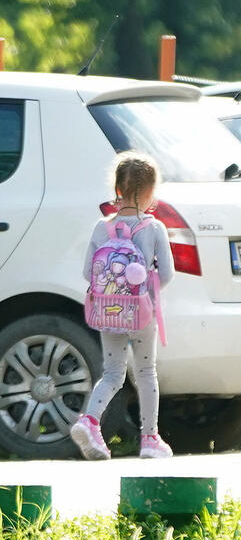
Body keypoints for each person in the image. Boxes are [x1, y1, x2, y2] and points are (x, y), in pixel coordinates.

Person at [70, 152, 175, 461]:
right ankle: (150, 439)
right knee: (145, 372)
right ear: (149, 193)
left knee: (113, 373)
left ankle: (89, 421)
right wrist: (145, 292)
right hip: (141, 314)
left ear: (116, 188)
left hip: (107, 311)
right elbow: (167, 274)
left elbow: (88, 272)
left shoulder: (102, 228)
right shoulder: (153, 229)